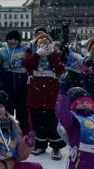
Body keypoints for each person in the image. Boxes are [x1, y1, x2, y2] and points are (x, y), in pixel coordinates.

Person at [23, 31, 66, 160]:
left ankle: (56, 146)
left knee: (52, 117)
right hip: (36, 86)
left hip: (51, 87)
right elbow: (26, 64)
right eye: (40, 41)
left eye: (46, 40)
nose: (43, 42)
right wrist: (37, 55)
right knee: (38, 117)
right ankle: (40, 144)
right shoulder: (32, 51)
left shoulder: (55, 53)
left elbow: (60, 68)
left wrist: (51, 55)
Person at [0, 30, 29, 133]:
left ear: (19, 40)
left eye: (15, 39)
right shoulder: (2, 51)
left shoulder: (24, 50)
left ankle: (23, 133)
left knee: (22, 111)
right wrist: (1, 76)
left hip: (21, 83)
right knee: (6, 109)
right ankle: (5, 132)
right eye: (10, 39)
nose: (13, 41)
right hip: (7, 83)